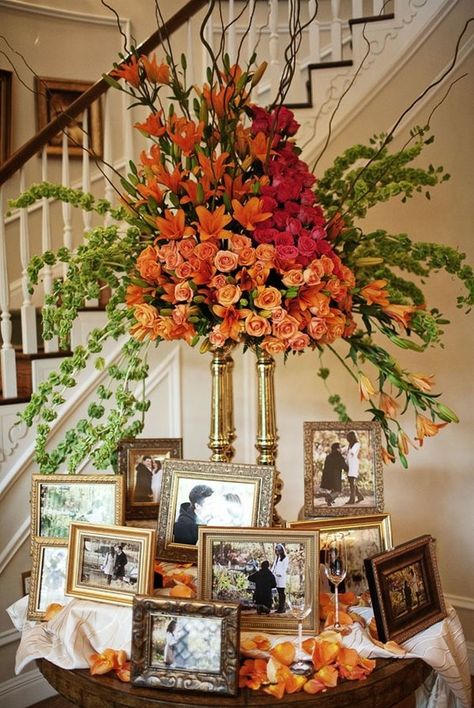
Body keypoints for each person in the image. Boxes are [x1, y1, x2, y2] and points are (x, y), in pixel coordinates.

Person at [320, 442, 348, 506]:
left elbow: (325, 467)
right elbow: (344, 466)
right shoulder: (339, 457)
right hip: (336, 477)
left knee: (333, 489)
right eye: (340, 448)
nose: (341, 449)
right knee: (338, 491)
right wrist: (348, 469)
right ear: (337, 449)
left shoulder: (328, 456)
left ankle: (331, 500)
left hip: (328, 477)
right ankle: (329, 498)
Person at [345, 430, 364, 504]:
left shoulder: (357, 444)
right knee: (351, 481)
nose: (347, 439)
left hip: (354, 465)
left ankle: (352, 500)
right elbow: (346, 452)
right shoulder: (350, 445)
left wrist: (348, 452)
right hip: (350, 465)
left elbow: (352, 452)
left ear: (351, 437)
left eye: (348, 437)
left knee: (352, 481)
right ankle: (360, 496)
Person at [271, 544, 289, 613]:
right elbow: (274, 567)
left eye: (278, 550)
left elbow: (285, 568)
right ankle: (280, 608)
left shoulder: (285, 558)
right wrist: (271, 572)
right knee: (278, 593)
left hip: (281, 578)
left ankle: (282, 608)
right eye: (276, 550)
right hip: (276, 577)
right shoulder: (277, 558)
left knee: (281, 593)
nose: (277, 551)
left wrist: (280, 574)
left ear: (282, 550)